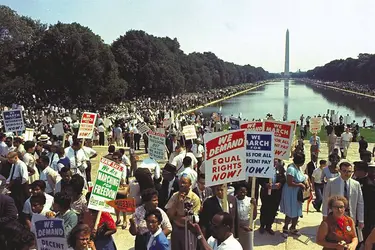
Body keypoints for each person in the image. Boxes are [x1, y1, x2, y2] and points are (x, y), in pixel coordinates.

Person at [322, 162, 364, 231]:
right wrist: (325, 214)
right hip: (335, 214)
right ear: (340, 171)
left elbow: (360, 202)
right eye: (344, 171)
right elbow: (326, 199)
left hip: (350, 215)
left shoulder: (356, 184)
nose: (346, 173)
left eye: (349, 171)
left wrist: (361, 220)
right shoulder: (332, 182)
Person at [166, 174, 201, 250]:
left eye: (184, 183)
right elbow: (169, 215)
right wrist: (177, 202)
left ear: (190, 185)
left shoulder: (195, 198)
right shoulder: (175, 196)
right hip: (176, 229)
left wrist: (176, 217)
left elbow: (191, 219)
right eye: (181, 182)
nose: (182, 185)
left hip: (188, 230)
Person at [280, 152, 309, 238]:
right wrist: (299, 184)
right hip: (290, 193)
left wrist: (305, 182)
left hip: (297, 193)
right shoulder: (291, 169)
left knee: (297, 211)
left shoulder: (298, 168)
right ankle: (285, 228)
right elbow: (289, 182)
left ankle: (293, 227)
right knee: (290, 211)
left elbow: (302, 177)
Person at [258, 159, 286, 234]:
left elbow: (284, 179)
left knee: (273, 210)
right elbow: (259, 179)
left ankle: (268, 226)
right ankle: (262, 226)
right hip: (266, 193)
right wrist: (265, 185)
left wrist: (280, 183)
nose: (274, 161)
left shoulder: (280, 167)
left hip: (276, 193)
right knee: (264, 209)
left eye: (276, 160)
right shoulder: (264, 167)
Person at [235, 182, 256, 249]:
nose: (243, 193)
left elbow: (253, 217)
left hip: (247, 226)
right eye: (241, 191)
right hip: (237, 226)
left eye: (245, 191)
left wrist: (254, 205)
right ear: (237, 191)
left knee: (247, 245)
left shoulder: (249, 200)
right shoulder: (233, 200)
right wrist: (241, 226)